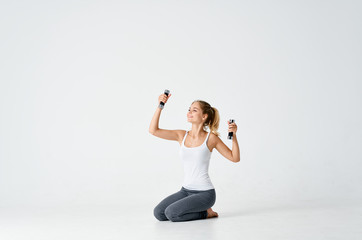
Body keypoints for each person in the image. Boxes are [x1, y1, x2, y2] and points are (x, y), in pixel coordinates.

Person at [149, 93, 240, 222]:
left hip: (205, 193)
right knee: (159, 213)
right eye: (189, 109)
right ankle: (200, 210)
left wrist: (234, 137)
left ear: (204, 116)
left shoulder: (211, 138)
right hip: (185, 191)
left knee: (172, 213)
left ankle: (206, 213)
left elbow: (234, 158)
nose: (189, 112)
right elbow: (153, 130)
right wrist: (160, 106)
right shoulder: (181, 135)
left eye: (194, 110)